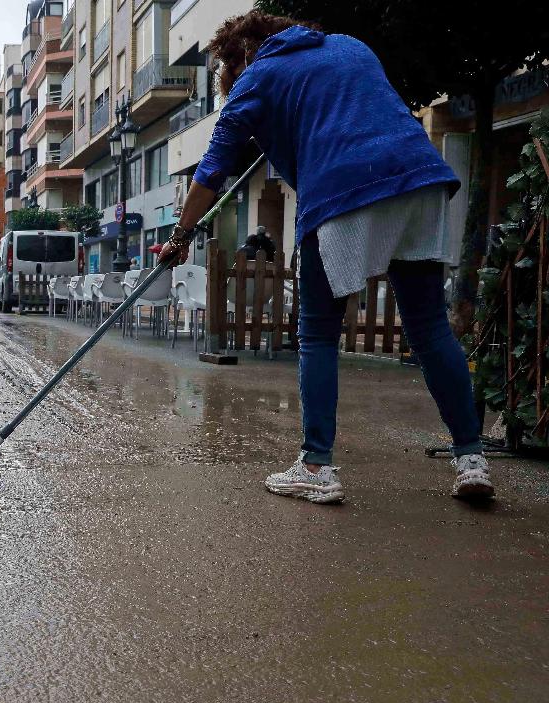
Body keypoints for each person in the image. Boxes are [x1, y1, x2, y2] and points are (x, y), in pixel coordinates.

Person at [158, 11, 493, 504]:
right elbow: (348, 113)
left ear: (242, 56)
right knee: (428, 327)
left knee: (316, 332)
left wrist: (181, 234)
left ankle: (317, 465)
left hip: (343, 190)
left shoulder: (259, 75)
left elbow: (211, 171)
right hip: (421, 178)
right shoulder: (349, 46)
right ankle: (471, 457)